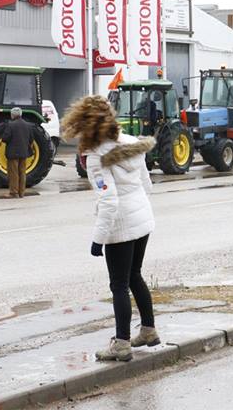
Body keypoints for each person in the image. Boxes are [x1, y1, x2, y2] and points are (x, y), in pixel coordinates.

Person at [62, 95, 159, 362]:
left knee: (118, 285)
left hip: (121, 225)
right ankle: (149, 330)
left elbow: (109, 201)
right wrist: (139, 208)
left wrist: (98, 239)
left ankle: (121, 344)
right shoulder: (131, 143)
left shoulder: (96, 157)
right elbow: (146, 183)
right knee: (135, 275)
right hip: (142, 219)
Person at [2, 107, 33, 198]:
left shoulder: (10, 125)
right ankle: (21, 193)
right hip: (24, 153)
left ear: (13, 115)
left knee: (13, 173)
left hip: (12, 153)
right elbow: (31, 139)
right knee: (22, 173)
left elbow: (5, 138)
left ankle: (13, 193)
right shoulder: (28, 125)